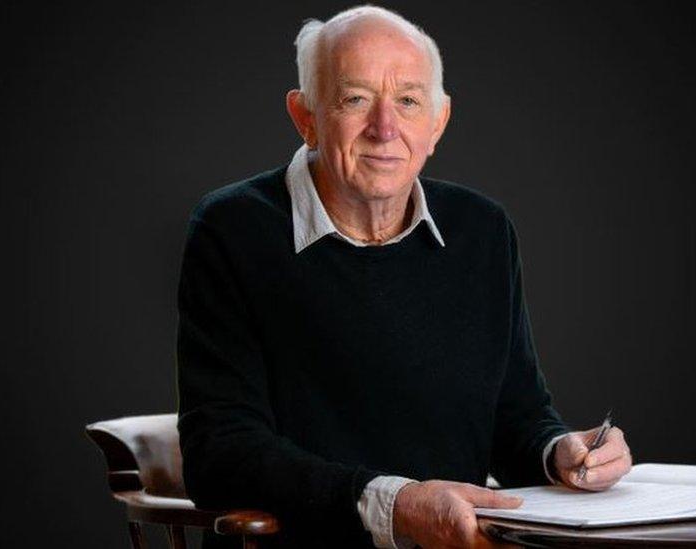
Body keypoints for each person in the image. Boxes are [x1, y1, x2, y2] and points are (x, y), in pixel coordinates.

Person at [175, 5, 632, 548]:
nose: (384, 128)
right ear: (306, 117)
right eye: (355, 99)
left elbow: (515, 419)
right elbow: (220, 452)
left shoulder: (480, 231)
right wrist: (396, 506)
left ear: (437, 123)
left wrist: (561, 453)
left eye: (409, 101)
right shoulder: (234, 228)